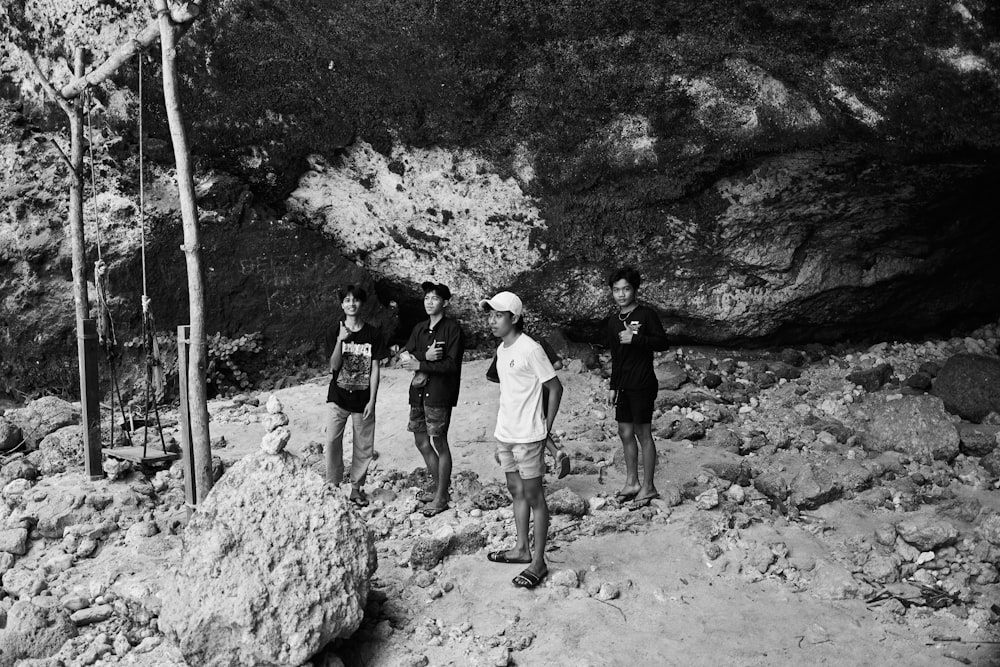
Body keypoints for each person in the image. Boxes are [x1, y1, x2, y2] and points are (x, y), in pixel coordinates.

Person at [480, 291, 563, 589]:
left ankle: (538, 562)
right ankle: (521, 548)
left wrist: (545, 428)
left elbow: (555, 387)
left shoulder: (531, 349)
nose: (492, 321)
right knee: (516, 491)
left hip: (528, 437)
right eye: (490, 315)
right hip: (506, 434)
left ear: (513, 318)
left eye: (498, 315)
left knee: (535, 497)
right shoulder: (503, 349)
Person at [607, 267, 670, 510]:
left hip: (643, 383)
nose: (621, 295)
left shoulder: (646, 315)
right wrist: (613, 386)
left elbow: (662, 342)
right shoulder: (613, 322)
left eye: (626, 289)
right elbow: (616, 356)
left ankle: (649, 486)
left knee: (643, 433)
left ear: (635, 290)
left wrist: (636, 339)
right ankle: (632, 482)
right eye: (616, 290)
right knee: (624, 432)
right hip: (623, 385)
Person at [399, 281, 464, 517]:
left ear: (445, 302)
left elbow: (451, 365)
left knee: (439, 443)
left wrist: (421, 364)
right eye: (426, 297)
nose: (429, 302)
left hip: (438, 394)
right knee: (421, 442)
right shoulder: (419, 328)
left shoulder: (453, 329)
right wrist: (422, 357)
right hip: (417, 393)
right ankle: (440, 490)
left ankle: (441, 496)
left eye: (435, 298)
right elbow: (404, 356)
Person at [324, 285, 389, 507]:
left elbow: (375, 369)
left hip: (363, 399)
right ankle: (332, 485)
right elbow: (333, 366)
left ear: (361, 304)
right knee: (332, 440)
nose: (351, 304)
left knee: (363, 445)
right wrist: (340, 340)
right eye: (347, 300)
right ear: (342, 305)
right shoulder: (335, 331)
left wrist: (373, 399)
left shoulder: (373, 333)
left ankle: (356, 488)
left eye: (356, 300)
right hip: (338, 396)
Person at [487, 333, 570, 478]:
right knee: (537, 427)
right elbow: (557, 364)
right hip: (545, 391)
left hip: (526, 397)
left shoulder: (515, 346)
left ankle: (535, 473)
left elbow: (492, 375)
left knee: (529, 431)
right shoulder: (538, 340)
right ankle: (555, 453)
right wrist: (542, 370)